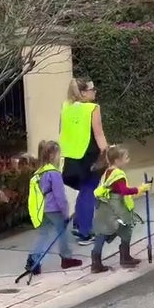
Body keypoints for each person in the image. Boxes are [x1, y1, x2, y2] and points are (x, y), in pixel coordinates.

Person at [59, 78, 109, 245]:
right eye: (92, 89)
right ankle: (85, 232)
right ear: (82, 93)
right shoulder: (93, 108)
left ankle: (79, 225)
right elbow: (99, 134)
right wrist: (107, 152)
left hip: (71, 156)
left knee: (84, 191)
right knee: (88, 191)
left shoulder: (66, 107)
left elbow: (62, 130)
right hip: (90, 155)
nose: (95, 92)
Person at [25, 140, 84, 275]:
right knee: (63, 233)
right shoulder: (54, 173)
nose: (60, 157)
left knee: (43, 235)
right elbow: (60, 196)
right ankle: (66, 259)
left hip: (43, 209)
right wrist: (66, 212)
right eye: (59, 154)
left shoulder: (40, 172)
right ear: (52, 155)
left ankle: (34, 260)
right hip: (54, 209)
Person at [90, 145, 150, 273]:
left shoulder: (107, 172)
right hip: (117, 208)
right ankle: (125, 258)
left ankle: (96, 263)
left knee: (102, 232)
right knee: (126, 229)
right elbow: (124, 191)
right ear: (117, 160)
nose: (128, 159)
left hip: (104, 207)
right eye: (126, 158)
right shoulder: (118, 174)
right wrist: (140, 188)